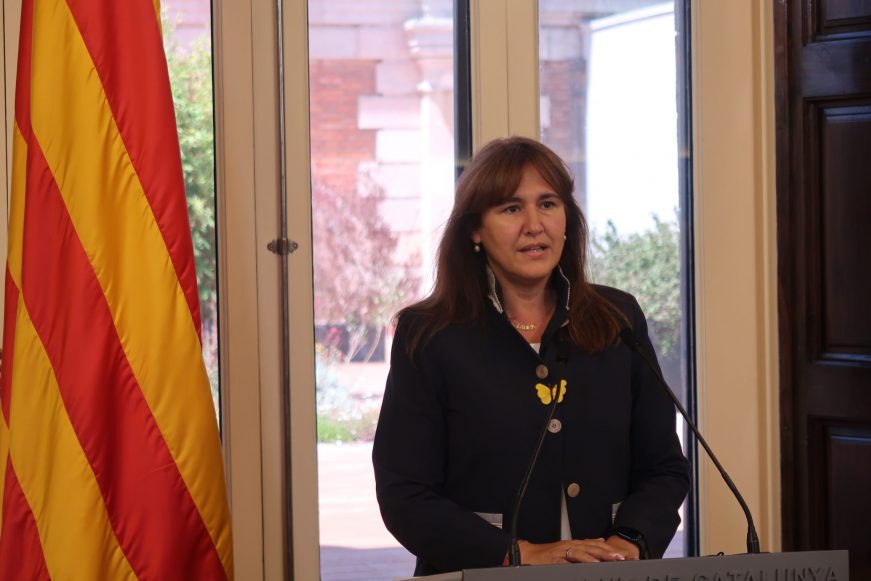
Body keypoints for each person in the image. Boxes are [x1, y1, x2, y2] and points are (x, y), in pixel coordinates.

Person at [372, 136, 690, 576]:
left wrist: (630, 542)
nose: (534, 225)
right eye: (510, 208)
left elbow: (664, 468)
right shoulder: (429, 335)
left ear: (567, 219)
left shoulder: (617, 318)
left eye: (547, 204)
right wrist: (517, 554)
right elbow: (405, 494)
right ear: (475, 230)